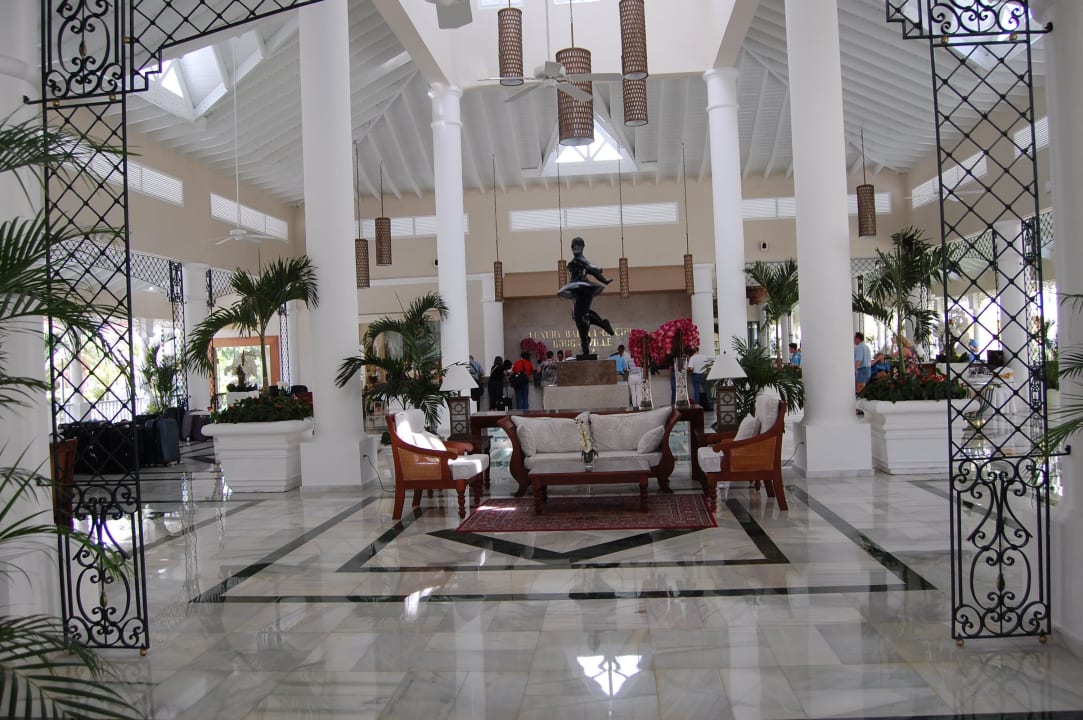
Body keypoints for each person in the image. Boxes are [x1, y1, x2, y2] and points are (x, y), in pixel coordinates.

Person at [557, 236, 615, 357]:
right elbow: (593, 271)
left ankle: (585, 346)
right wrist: (604, 280)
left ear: (582, 247)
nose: (575, 248)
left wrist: (602, 275)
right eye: (573, 245)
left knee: (580, 316)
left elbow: (593, 269)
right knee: (579, 315)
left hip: (584, 288)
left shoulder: (581, 260)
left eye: (578, 245)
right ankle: (601, 325)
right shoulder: (577, 261)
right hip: (576, 289)